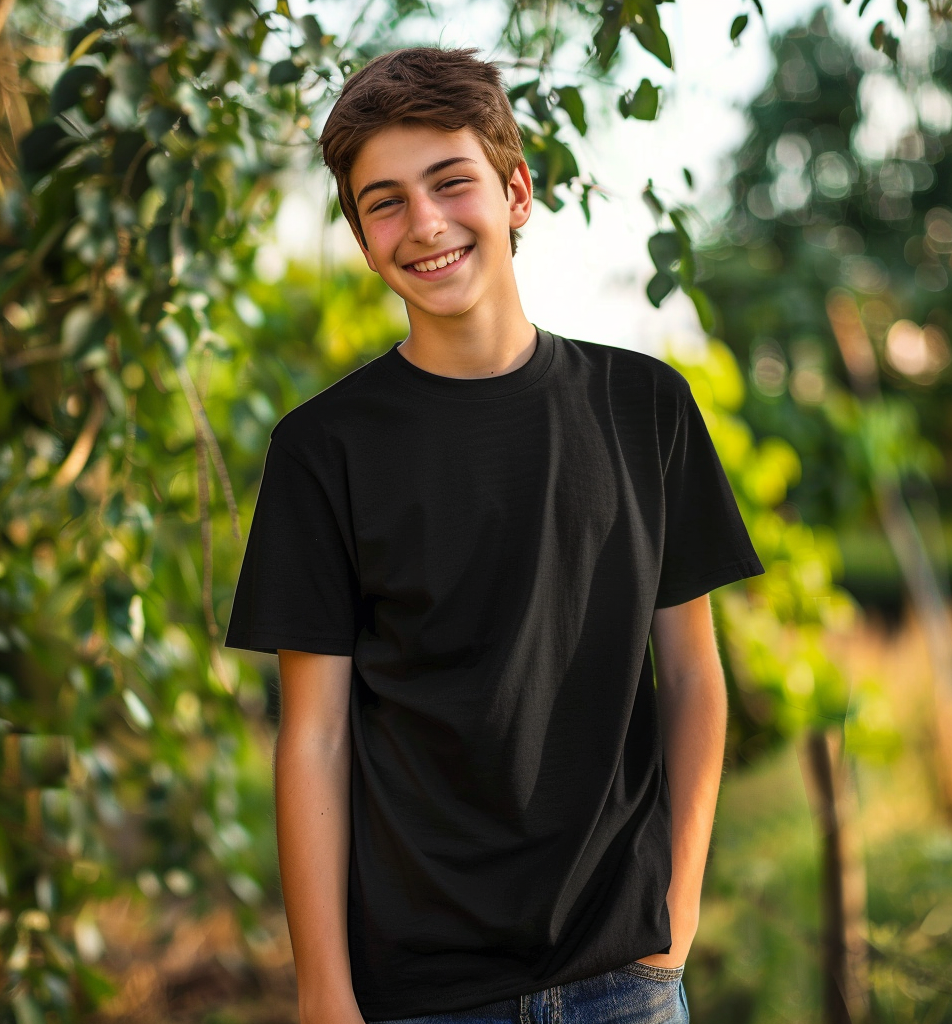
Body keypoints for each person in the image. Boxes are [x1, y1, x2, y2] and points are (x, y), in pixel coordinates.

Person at [224, 45, 764, 1024]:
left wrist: (672, 924)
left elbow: (691, 675)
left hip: (623, 982)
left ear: (515, 191)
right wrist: (321, 992)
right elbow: (314, 735)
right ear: (361, 238)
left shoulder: (645, 407)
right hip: (418, 998)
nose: (423, 223)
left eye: (450, 182)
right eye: (383, 201)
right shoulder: (320, 450)